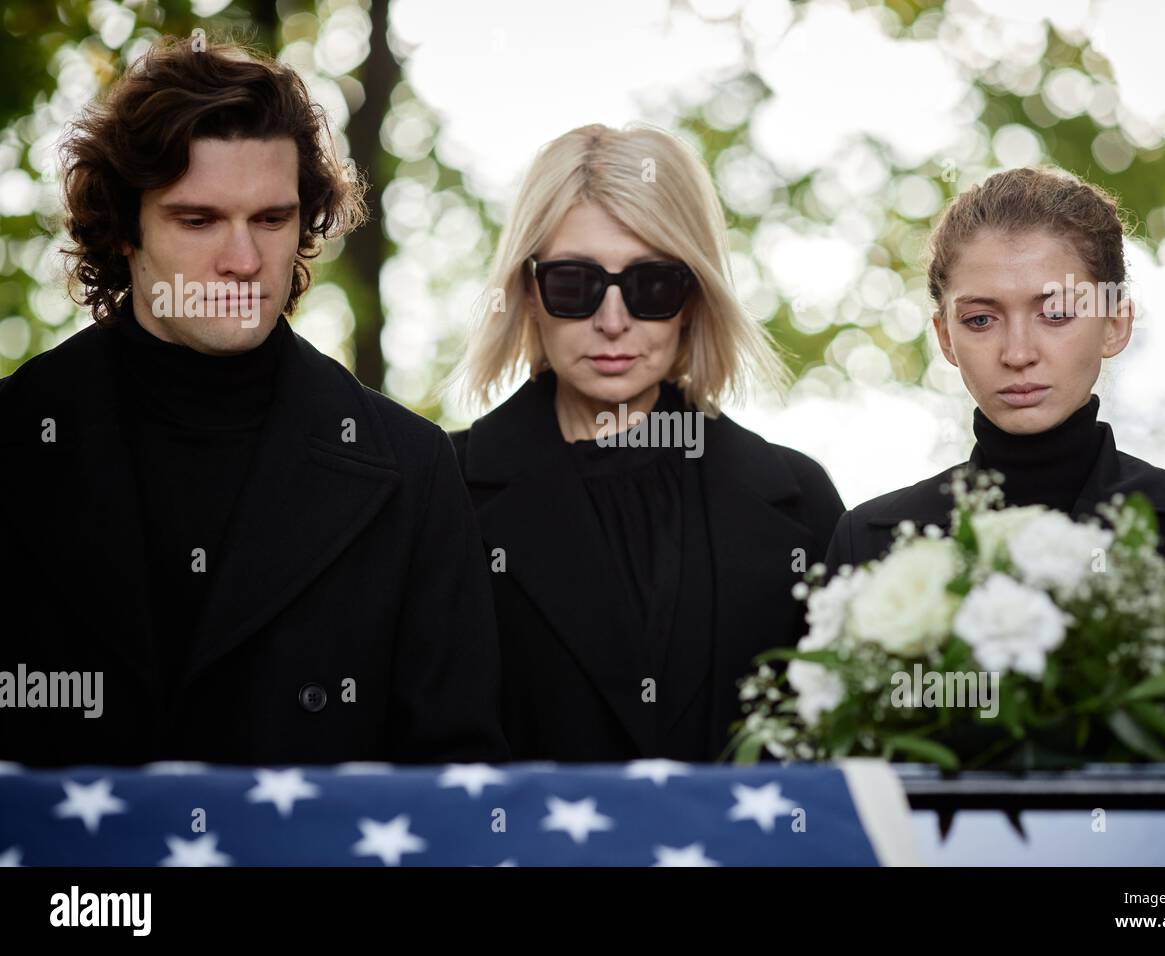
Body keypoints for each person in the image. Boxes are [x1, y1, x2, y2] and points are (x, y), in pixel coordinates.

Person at [0, 38, 508, 766]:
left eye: (271, 220)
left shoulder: (410, 469)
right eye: (198, 220)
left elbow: (452, 784)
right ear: (122, 228)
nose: (242, 260)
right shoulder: (15, 442)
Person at [826, 167, 1165, 761]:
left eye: (1056, 313)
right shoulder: (868, 542)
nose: (1017, 353)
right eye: (980, 320)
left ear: (1116, 322)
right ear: (945, 338)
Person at [449, 124, 844, 762]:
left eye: (652, 284)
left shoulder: (801, 503)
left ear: (693, 295)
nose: (612, 320)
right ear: (527, 291)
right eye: (575, 284)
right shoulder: (440, 490)